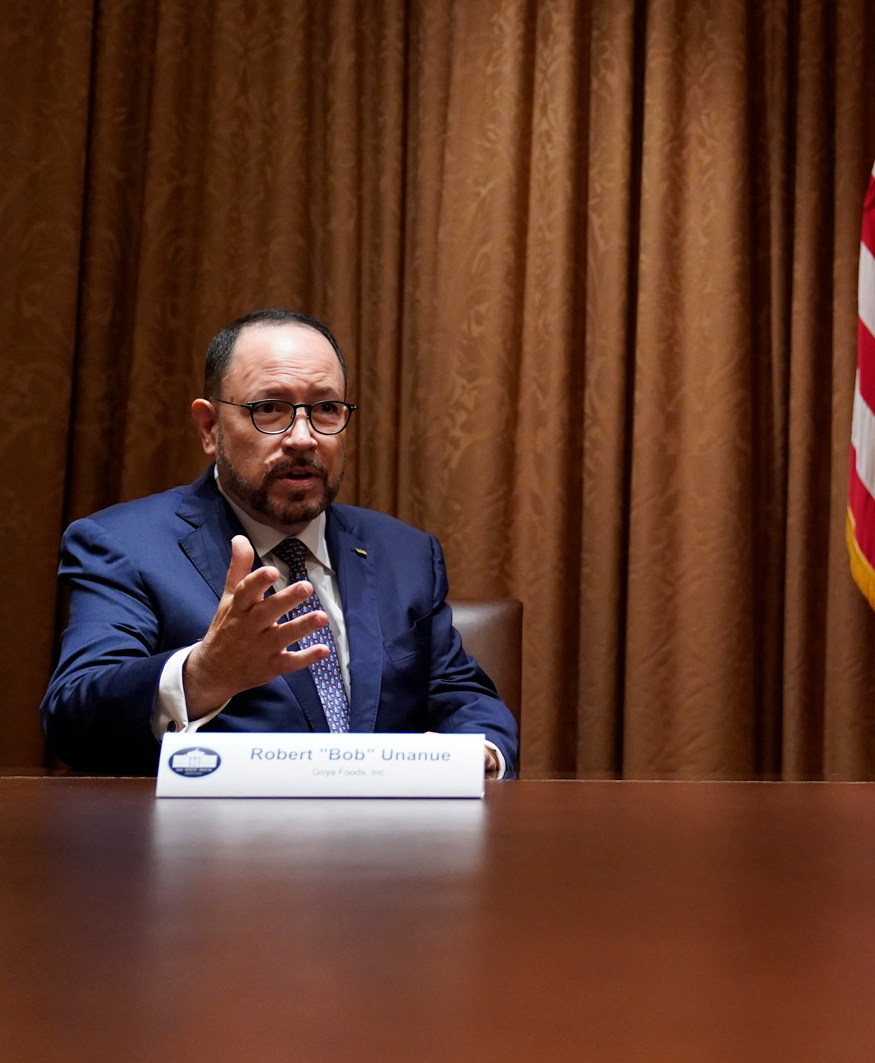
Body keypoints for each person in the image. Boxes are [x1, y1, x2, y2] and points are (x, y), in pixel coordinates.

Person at [41, 309, 519, 776]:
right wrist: (202, 676)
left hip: (386, 846)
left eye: (326, 409)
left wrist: (483, 753)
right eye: (270, 409)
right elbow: (72, 718)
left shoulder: (404, 553)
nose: (303, 438)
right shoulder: (125, 545)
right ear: (210, 428)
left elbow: (463, 697)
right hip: (213, 848)